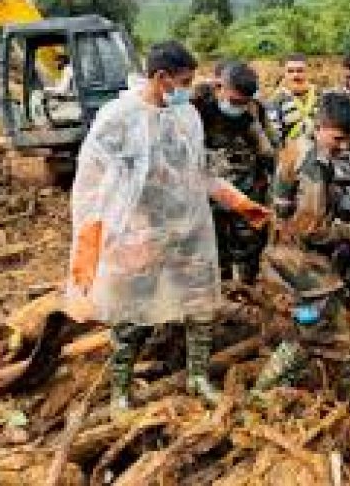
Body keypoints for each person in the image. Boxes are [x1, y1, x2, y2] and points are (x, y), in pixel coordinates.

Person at [67, 41, 270, 410]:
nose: (190, 89)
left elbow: (200, 172)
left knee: (200, 304)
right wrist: (96, 237)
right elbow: (90, 182)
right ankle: (121, 391)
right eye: (185, 80)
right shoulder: (119, 117)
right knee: (134, 313)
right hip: (137, 233)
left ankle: (197, 376)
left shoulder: (186, 116)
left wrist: (239, 202)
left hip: (188, 229)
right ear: (161, 78)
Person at [255, 92, 350, 392]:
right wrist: (347, 232)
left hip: (284, 255)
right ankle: (262, 391)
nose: (343, 147)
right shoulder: (313, 163)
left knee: (315, 328)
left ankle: (269, 388)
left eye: (348, 140)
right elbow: (312, 229)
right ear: (321, 126)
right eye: (338, 139)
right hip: (300, 262)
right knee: (325, 332)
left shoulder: (298, 146)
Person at [192, 61, 276, 284]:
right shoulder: (196, 104)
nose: (238, 107)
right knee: (214, 246)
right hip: (207, 191)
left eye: (244, 102)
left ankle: (247, 287)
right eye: (234, 101)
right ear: (219, 87)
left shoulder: (253, 109)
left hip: (244, 190)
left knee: (249, 245)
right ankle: (223, 287)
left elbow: (267, 150)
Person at [268, 54, 319, 145]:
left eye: (300, 71)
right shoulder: (276, 101)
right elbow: (274, 136)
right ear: (284, 74)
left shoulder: (320, 96)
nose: (295, 75)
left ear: (308, 72)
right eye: (290, 71)